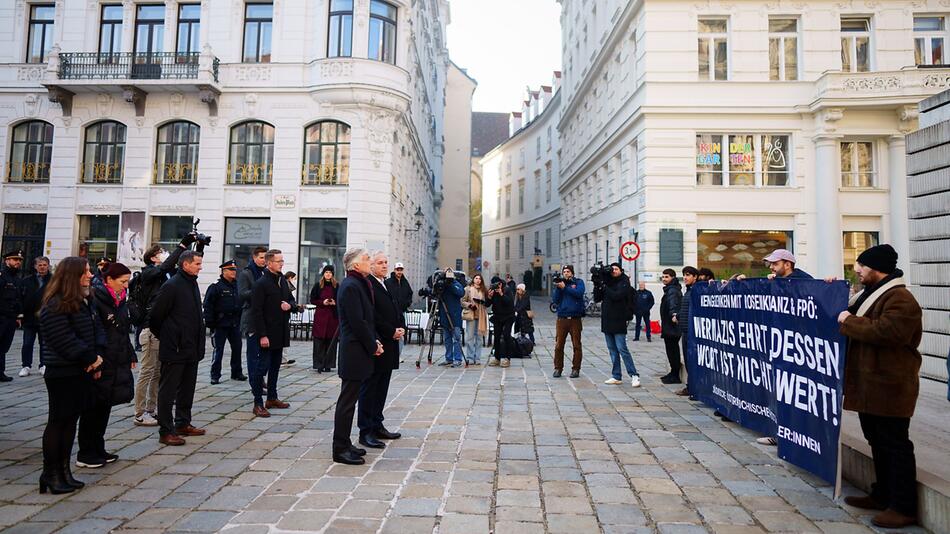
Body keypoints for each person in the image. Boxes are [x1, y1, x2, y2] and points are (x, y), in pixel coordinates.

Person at [835, 245, 922, 529]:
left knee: (895, 445)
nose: (857, 270)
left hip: (890, 386)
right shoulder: (871, 295)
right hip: (871, 386)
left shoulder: (901, 299)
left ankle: (903, 506)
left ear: (876, 267)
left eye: (861, 265)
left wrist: (849, 321)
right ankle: (882, 493)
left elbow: (889, 332)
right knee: (878, 442)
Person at [38, 256, 103, 494]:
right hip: (62, 372)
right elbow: (64, 340)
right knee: (59, 421)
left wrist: (96, 359)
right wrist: (90, 358)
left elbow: (92, 332)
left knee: (70, 423)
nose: (90, 275)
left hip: (80, 370)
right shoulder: (55, 304)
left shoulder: (83, 301)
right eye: (85, 272)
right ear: (71, 276)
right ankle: (50, 473)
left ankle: (64, 471)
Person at [78, 262, 136, 468]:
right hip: (101, 358)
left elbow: (122, 330)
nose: (126, 286)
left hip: (116, 356)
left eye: (127, 281)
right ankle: (86, 452)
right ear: (109, 280)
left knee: (105, 405)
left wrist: (129, 353)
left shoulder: (119, 299)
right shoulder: (96, 298)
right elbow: (94, 331)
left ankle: (98, 447)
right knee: (93, 406)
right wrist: (96, 359)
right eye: (123, 282)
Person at [149, 251, 207, 446]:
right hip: (174, 347)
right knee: (168, 391)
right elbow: (156, 316)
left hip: (191, 347)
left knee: (187, 388)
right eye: (197, 264)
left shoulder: (192, 283)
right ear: (185, 265)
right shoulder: (172, 285)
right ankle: (166, 430)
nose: (200, 267)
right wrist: (169, 336)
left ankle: (183, 422)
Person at [332, 247, 383, 465]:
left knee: (351, 400)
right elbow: (357, 322)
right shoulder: (350, 286)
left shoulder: (359, 283)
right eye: (366, 258)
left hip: (360, 348)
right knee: (347, 401)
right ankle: (339, 448)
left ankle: (346, 442)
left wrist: (374, 341)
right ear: (355, 265)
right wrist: (372, 345)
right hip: (353, 350)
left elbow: (367, 319)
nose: (369, 261)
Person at [133, 241, 188, 426]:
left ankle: (151, 408)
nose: (164, 254)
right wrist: (181, 246)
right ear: (153, 257)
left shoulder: (165, 273)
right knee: (147, 372)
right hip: (149, 329)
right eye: (161, 252)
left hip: (161, 329)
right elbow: (166, 265)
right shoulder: (148, 272)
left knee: (157, 372)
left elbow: (177, 267)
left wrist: (188, 251)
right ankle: (139, 413)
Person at [359, 252, 405, 449]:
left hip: (391, 342)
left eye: (386, 262)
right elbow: (373, 315)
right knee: (370, 388)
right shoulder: (368, 284)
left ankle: (377, 424)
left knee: (382, 386)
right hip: (378, 342)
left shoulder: (386, 282)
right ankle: (366, 430)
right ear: (371, 266)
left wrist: (400, 327)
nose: (385, 265)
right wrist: (390, 331)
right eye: (380, 263)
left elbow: (395, 307)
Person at [247, 249, 296, 417]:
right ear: (269, 263)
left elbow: (291, 300)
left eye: (282, 261)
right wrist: (262, 335)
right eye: (278, 261)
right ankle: (258, 403)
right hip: (266, 333)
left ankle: (272, 398)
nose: (282, 264)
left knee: (275, 367)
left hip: (280, 331)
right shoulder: (261, 283)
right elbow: (256, 311)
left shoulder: (282, 279)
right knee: (261, 369)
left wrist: (290, 306)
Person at [597, 263, 640, 387]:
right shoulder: (607, 282)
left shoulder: (624, 282)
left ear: (621, 270)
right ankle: (616, 375)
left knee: (622, 348)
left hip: (619, 319)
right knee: (612, 350)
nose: (614, 271)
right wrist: (598, 284)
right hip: (607, 320)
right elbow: (597, 298)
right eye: (612, 269)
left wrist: (605, 286)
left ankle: (634, 375)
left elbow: (617, 296)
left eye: (616, 269)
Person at [203, 260, 246, 385]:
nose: (234, 272)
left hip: (235, 322)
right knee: (218, 350)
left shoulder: (237, 285)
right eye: (231, 270)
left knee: (237, 348)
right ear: (224, 271)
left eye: (235, 270)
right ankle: (215, 375)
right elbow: (208, 305)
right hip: (220, 323)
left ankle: (236, 373)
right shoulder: (216, 286)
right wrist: (210, 322)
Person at [551, 265, 585, 378]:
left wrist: (565, 287)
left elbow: (579, 293)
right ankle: (558, 368)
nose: (566, 273)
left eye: (568, 271)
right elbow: (555, 300)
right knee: (559, 345)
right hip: (562, 319)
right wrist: (558, 288)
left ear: (572, 273)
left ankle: (576, 369)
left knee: (576, 345)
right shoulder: (560, 284)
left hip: (575, 319)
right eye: (564, 272)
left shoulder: (578, 282)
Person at [19, 256, 51, 377]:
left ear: (48, 266)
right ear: (35, 266)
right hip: (29, 317)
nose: (42, 267)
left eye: (44, 265)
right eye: (39, 265)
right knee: (27, 343)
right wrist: (20, 314)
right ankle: (26, 365)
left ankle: (43, 364)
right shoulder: (27, 281)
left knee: (44, 343)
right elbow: (21, 298)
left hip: (46, 317)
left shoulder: (53, 280)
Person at [672, 266, 698, 397]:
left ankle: (693, 388)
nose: (685, 278)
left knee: (692, 361)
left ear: (695, 277)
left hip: (692, 332)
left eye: (688, 275)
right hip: (685, 330)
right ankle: (690, 387)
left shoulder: (696, 291)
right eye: (684, 275)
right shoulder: (688, 291)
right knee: (688, 361)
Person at [0, 250, 24, 382]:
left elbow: (18, 299)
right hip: (1, 316)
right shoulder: (2, 276)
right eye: (15, 260)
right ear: (7, 260)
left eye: (19, 260)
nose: (18, 262)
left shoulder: (16, 279)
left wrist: (18, 317)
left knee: (4, 346)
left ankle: (0, 372)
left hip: (10, 318)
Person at [310, 265, 339, 372]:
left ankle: (328, 364)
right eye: (326, 272)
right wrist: (322, 302)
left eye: (330, 273)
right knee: (319, 341)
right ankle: (318, 364)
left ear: (332, 274)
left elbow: (340, 299)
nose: (328, 274)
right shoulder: (318, 286)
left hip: (332, 317)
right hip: (320, 317)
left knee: (331, 341)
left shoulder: (336, 286)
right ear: (323, 274)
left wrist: (334, 302)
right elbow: (312, 300)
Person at [437, 269, 465, 368]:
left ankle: (457, 359)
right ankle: (448, 358)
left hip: (455, 317)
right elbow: (435, 292)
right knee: (447, 339)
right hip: (445, 315)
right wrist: (440, 281)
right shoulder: (442, 284)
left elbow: (461, 292)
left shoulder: (456, 283)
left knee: (456, 338)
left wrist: (451, 283)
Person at [659, 269, 683, 384]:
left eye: (666, 277)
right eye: (663, 277)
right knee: (672, 349)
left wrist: (674, 314)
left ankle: (675, 374)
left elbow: (673, 304)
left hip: (671, 325)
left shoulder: (672, 290)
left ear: (673, 277)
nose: (664, 279)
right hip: (669, 325)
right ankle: (673, 373)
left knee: (672, 350)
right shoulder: (671, 289)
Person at [487, 276, 515, 368]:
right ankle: (497, 358)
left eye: (497, 284)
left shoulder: (507, 289)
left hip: (508, 316)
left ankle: (507, 358)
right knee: (497, 337)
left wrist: (501, 294)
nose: (496, 286)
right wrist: (489, 297)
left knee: (506, 335)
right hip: (498, 317)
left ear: (500, 283)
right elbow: (487, 304)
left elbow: (509, 302)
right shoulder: (492, 290)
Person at [462, 274, 489, 365]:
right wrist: (469, 305)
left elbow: (488, 302)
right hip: (471, 314)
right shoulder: (468, 289)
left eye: (480, 279)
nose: (478, 280)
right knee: (470, 337)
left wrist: (484, 302)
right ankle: (469, 357)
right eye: (476, 278)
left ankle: (477, 358)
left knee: (479, 338)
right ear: (473, 279)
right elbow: (462, 301)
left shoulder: (484, 290)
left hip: (481, 315)